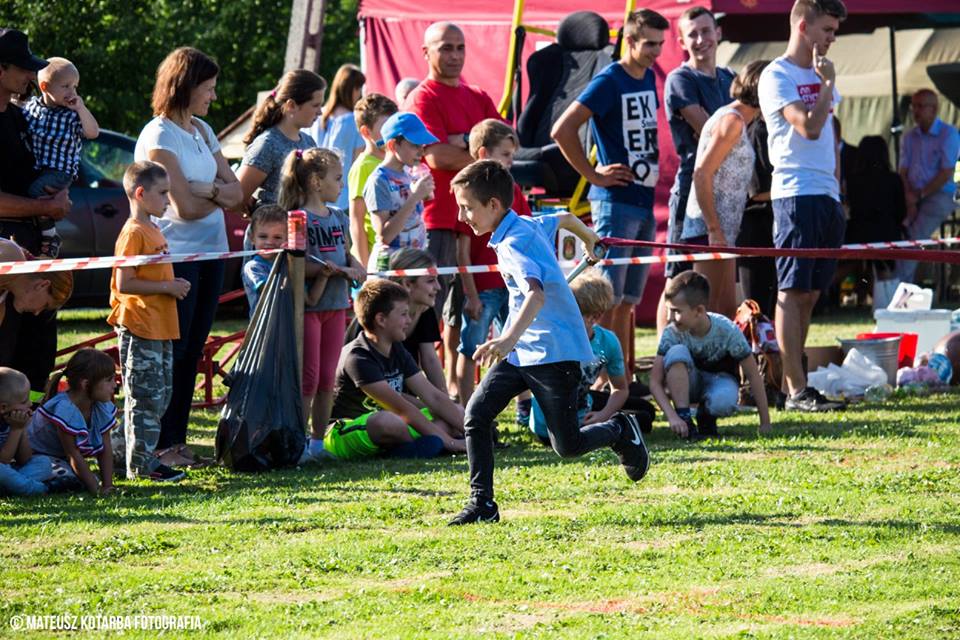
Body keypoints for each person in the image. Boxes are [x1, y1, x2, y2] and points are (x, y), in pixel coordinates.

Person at [448, 160, 649, 525]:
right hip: (522, 352)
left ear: (493, 204)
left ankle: (619, 429)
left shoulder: (514, 243)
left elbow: (535, 295)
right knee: (476, 415)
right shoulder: (523, 223)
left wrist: (506, 338)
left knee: (567, 445)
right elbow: (564, 218)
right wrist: (589, 238)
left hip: (553, 353)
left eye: (467, 208)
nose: (462, 217)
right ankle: (482, 504)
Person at [135, 47, 243, 465]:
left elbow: (237, 191)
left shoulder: (203, 129)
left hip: (212, 253)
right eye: (208, 88)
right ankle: (161, 445)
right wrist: (216, 195)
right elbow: (184, 208)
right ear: (185, 86)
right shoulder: (159, 136)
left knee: (193, 350)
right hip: (176, 256)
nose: (213, 96)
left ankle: (177, 443)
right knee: (175, 353)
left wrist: (210, 190)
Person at [551, 9, 668, 358]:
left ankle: (622, 373)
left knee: (628, 300)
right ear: (629, 41)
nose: (656, 52)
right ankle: (598, 372)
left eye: (660, 44)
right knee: (606, 299)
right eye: (649, 44)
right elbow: (562, 130)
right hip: (615, 202)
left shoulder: (647, 76)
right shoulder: (609, 80)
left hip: (644, 199)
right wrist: (594, 175)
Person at [404, 21, 503, 401]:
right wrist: (478, 153)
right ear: (426, 52)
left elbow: (504, 144)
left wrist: (458, 144)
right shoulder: (423, 98)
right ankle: (422, 390)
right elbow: (436, 156)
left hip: (482, 223)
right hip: (439, 221)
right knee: (427, 309)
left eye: (460, 47)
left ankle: (455, 395)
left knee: (465, 314)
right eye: (446, 47)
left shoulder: (478, 95)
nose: (455, 55)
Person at [757, 0, 847, 412]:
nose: (831, 39)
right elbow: (809, 127)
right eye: (827, 30)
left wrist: (838, 191)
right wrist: (826, 84)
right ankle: (796, 390)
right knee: (792, 291)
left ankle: (797, 384)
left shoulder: (820, 73)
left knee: (810, 294)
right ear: (803, 26)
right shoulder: (777, 75)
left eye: (834, 31)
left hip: (826, 193)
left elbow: (831, 134)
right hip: (795, 192)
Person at [277, 148, 366, 462]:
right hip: (308, 309)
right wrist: (339, 270)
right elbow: (297, 265)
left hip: (336, 305)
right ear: (316, 182)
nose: (341, 185)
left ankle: (317, 443)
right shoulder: (298, 219)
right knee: (309, 378)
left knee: (328, 378)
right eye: (337, 178)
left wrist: (356, 265)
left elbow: (346, 252)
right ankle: (298, 442)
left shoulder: (338, 216)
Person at [0, 28, 72, 400]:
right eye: (24, 68)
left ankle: (27, 425)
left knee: (38, 348)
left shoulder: (19, 116)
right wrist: (45, 207)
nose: (32, 75)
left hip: (34, 247)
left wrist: (59, 193)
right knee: (4, 345)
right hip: (4, 253)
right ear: (0, 68)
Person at [108, 161, 190, 481]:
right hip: (140, 326)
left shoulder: (153, 229)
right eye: (163, 193)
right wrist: (168, 287)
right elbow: (124, 282)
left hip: (160, 326)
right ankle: (141, 466)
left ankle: (119, 456)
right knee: (145, 399)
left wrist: (170, 287)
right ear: (141, 193)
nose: (169, 200)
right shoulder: (133, 232)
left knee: (160, 396)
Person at [325, 279, 467, 460]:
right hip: (344, 431)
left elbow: (434, 397)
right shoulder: (358, 357)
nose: (409, 321)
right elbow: (402, 408)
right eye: (403, 314)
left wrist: (474, 433)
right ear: (381, 319)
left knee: (455, 412)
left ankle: (415, 446)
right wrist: (453, 443)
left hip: (394, 422)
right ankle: (422, 445)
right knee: (388, 422)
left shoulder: (396, 349)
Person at [660, 7, 736, 333]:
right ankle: (665, 353)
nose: (701, 39)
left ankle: (713, 349)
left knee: (722, 283)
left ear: (718, 33)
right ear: (681, 41)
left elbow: (737, 133)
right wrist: (728, 132)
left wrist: (728, 134)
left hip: (726, 193)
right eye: (692, 34)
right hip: (691, 189)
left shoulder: (730, 78)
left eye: (706, 31)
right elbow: (710, 132)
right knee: (678, 281)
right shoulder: (681, 79)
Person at [457, 118, 533, 426]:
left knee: (517, 345)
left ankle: (524, 407)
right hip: (483, 287)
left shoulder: (512, 190)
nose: (511, 161)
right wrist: (471, 294)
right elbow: (462, 251)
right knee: (471, 349)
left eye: (512, 155)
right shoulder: (466, 193)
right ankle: (466, 413)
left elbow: (527, 229)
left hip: (510, 285)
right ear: (483, 153)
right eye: (505, 155)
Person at [683, 60, 769, 319]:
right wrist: (713, 228)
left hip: (724, 229)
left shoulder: (738, 120)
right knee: (704, 311)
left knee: (725, 311)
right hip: (711, 228)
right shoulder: (732, 120)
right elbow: (702, 173)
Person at [529, 269, 654, 444]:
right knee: (640, 419)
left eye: (572, 313)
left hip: (584, 408)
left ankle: (610, 423)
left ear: (594, 317)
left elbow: (620, 389)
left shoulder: (608, 341)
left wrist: (604, 415)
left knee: (647, 411)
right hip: (550, 429)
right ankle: (613, 426)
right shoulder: (553, 338)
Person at [650, 271, 771, 440]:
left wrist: (765, 422)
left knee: (723, 401)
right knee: (676, 352)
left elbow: (753, 375)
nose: (670, 318)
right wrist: (673, 417)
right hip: (689, 384)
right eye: (668, 310)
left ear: (699, 310)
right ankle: (685, 420)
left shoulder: (727, 330)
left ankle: (706, 416)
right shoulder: (671, 333)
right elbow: (654, 381)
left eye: (676, 311)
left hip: (720, 381)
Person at [23, 57, 99, 257]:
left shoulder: (72, 115)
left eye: (75, 87)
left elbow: (93, 133)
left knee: (35, 191)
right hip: (38, 168)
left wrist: (81, 108)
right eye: (66, 86)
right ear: (45, 87)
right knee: (31, 191)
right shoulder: (32, 107)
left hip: (60, 171)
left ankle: (50, 236)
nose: (72, 92)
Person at [344, 248, 446, 393]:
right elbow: (377, 388)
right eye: (431, 281)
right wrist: (433, 404)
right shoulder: (379, 312)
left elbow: (430, 359)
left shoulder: (424, 309)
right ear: (407, 284)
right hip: (368, 396)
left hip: (400, 392)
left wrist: (445, 399)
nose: (438, 287)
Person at [27, 348, 117, 496]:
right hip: (36, 456)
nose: (115, 385)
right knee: (71, 476)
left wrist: (108, 486)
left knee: (80, 477)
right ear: (85, 384)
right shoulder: (64, 409)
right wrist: (96, 489)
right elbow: (73, 454)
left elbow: (105, 448)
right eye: (109, 380)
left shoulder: (100, 406)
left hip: (60, 458)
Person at [895, 89, 960, 284]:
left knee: (915, 235)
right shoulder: (909, 137)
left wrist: (918, 196)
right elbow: (903, 171)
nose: (916, 111)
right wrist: (909, 198)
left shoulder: (949, 134)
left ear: (934, 109)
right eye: (913, 106)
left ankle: (900, 285)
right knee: (898, 230)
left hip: (940, 194)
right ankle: (895, 281)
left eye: (921, 106)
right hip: (911, 196)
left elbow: (946, 173)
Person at [238, 69, 326, 210]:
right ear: (292, 106)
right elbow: (237, 199)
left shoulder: (309, 142)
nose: (320, 112)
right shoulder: (267, 144)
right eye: (315, 105)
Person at [363, 112, 436, 272]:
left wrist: (424, 194)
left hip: (414, 263)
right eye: (415, 145)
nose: (421, 152)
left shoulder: (410, 173)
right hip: (390, 268)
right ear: (392, 145)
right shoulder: (379, 180)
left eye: (422, 146)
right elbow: (385, 236)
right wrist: (414, 198)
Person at [845, 136, 907, 308]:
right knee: (884, 270)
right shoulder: (894, 179)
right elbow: (901, 212)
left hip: (858, 234)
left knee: (857, 265)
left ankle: (856, 295)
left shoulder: (852, 180)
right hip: (887, 234)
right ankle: (885, 304)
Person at [347, 93, 399, 268]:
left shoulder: (396, 162)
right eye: (385, 128)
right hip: (375, 260)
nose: (393, 133)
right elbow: (357, 220)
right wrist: (365, 267)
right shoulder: (363, 166)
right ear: (366, 131)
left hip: (397, 256)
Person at [306, 63, 365, 211]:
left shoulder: (316, 115)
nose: (360, 94)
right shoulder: (355, 121)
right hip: (342, 197)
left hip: (313, 195)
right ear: (353, 89)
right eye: (359, 89)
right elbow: (358, 163)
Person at [736, 116, 778, 319]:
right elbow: (758, 192)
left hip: (772, 223)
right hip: (756, 225)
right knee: (756, 307)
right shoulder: (758, 131)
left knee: (773, 304)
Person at [0, 367, 52, 496]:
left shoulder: (13, 421)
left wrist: (21, 428)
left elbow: (25, 459)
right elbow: (3, 461)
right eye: (24, 401)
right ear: (3, 407)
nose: (30, 404)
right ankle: (38, 488)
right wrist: (16, 429)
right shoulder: (13, 425)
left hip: (8, 473)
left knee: (43, 462)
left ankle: (12, 487)